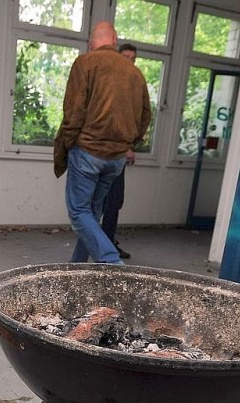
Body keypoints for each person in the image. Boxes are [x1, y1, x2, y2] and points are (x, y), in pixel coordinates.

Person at [54, 23, 150, 264]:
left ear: (91, 42)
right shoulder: (135, 73)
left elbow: (74, 111)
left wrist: (68, 144)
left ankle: (111, 261)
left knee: (79, 213)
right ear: (114, 41)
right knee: (92, 213)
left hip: (88, 150)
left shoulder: (85, 63)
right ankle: (77, 267)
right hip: (116, 158)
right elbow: (146, 115)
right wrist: (129, 141)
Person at [101, 43, 139, 260]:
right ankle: (104, 249)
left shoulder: (132, 86)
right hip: (103, 152)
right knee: (98, 203)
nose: (129, 62)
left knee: (114, 202)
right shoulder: (110, 84)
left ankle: (107, 243)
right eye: (125, 57)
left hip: (118, 154)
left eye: (132, 59)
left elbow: (132, 121)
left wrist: (129, 147)